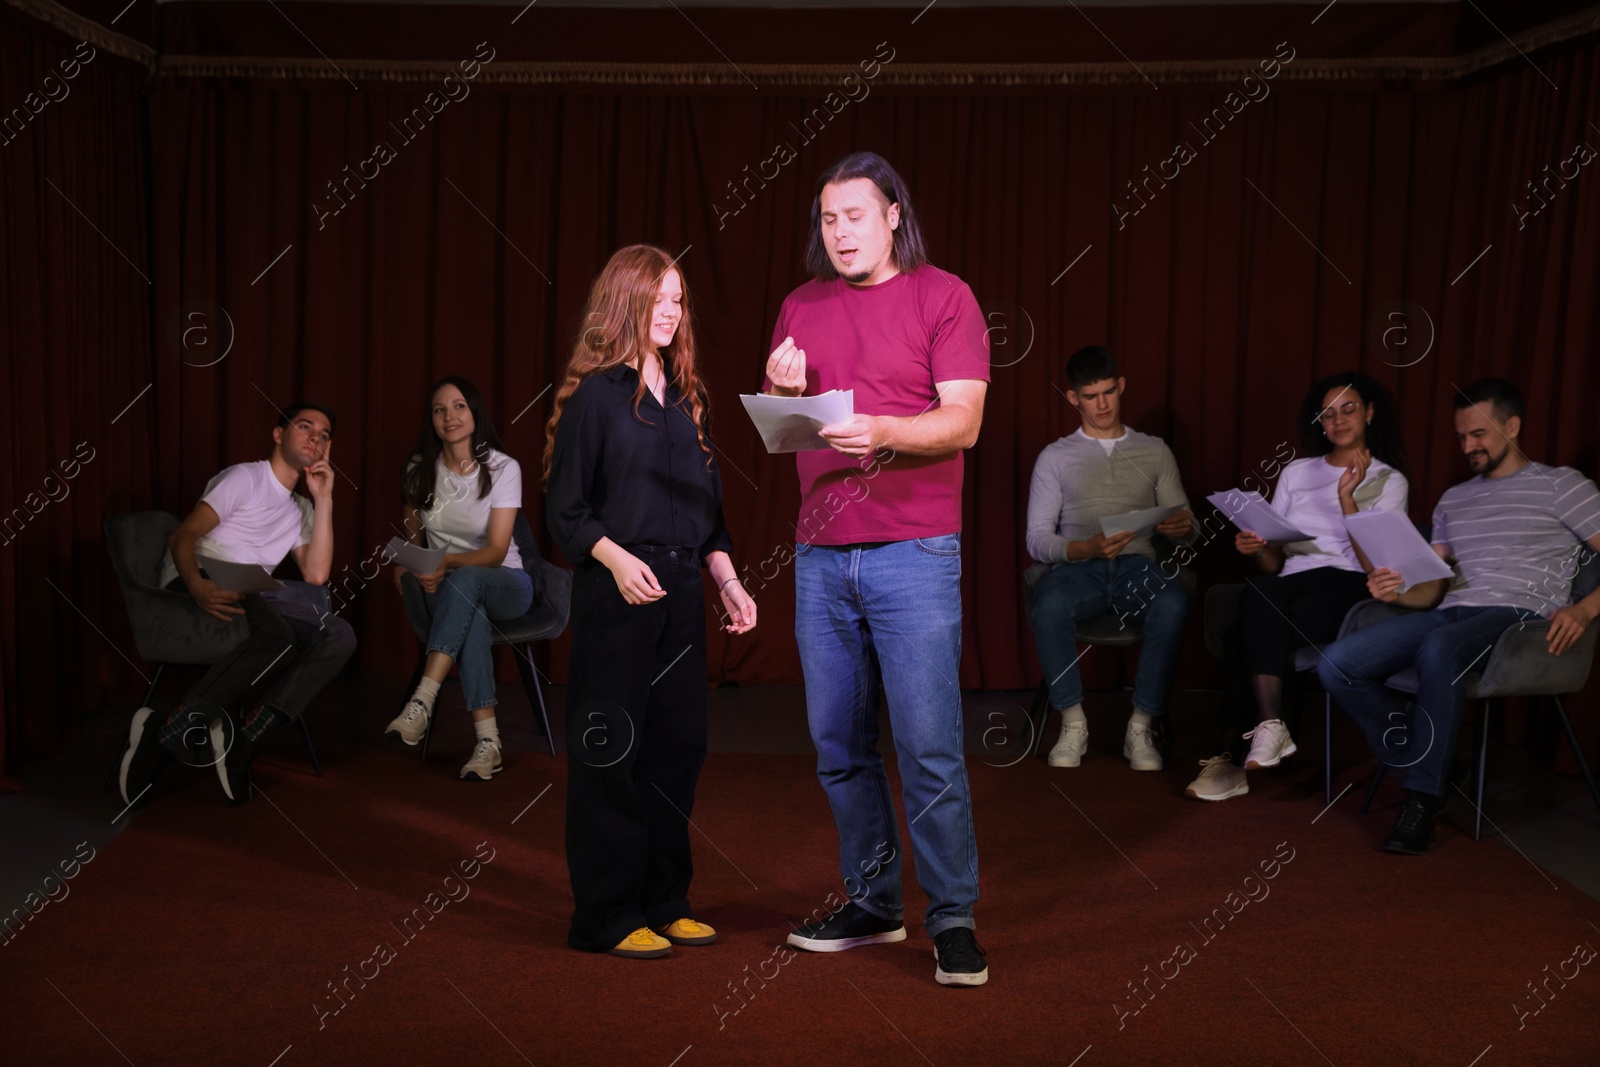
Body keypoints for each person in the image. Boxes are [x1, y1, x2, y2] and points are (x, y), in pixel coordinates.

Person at [766, 152, 991, 987]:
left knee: (928, 744)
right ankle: (873, 900)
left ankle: (954, 916)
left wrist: (887, 431)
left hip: (915, 553)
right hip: (821, 557)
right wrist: (781, 390)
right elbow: (792, 429)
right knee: (838, 746)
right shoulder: (800, 303)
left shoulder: (946, 296)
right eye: (827, 219)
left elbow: (963, 421)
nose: (839, 232)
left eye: (854, 216)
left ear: (893, 214)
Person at [545, 244, 756, 959]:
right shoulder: (597, 396)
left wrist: (728, 581)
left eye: (678, 300)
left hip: (684, 596)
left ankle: (666, 900)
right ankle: (605, 914)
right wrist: (616, 557)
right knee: (613, 753)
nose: (670, 312)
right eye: (658, 297)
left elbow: (711, 519)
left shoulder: (689, 400)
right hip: (617, 593)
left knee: (677, 751)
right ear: (625, 300)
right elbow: (566, 511)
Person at [1318, 378, 1600, 853]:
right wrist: (1391, 583)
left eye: (1479, 434)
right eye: (1461, 436)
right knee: (1337, 664)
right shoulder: (1454, 499)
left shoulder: (1563, 485)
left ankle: (1422, 799)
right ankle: (1436, 765)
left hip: (1521, 617)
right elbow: (1428, 585)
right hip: (1452, 611)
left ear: (1512, 426)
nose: (1468, 446)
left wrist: (1586, 608)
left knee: (1440, 647)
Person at [119, 403, 356, 807]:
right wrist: (196, 585)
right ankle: (166, 735)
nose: (315, 436)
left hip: (252, 591)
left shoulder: (300, 509)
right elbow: (183, 537)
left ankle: (245, 737)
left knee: (339, 635)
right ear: (278, 435)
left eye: (324, 433)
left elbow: (316, 574)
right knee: (279, 639)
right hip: (202, 575)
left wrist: (325, 498)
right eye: (305, 426)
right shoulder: (245, 477)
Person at [1187, 372, 1409, 801]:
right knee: (1260, 592)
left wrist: (1349, 498)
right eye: (1329, 413)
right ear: (1320, 423)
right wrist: (1256, 547)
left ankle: (1232, 756)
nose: (1339, 420)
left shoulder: (1389, 479)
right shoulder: (1296, 472)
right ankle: (1268, 729)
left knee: (1242, 632)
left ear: (1369, 413)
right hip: (1290, 586)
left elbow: (1379, 566)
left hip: (1349, 586)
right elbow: (1276, 559)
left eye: (1348, 409)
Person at [1025, 345, 1196, 773]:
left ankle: (1141, 725)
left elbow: (1187, 525)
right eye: (1089, 396)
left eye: (1108, 393)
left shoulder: (1155, 451)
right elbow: (1037, 540)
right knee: (1048, 604)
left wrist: (1182, 528)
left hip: (1137, 566)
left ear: (1121, 387)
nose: (1100, 405)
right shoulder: (1055, 457)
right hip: (1078, 570)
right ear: (1073, 399)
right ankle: (1073, 720)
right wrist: (1084, 548)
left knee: (1173, 602)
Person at [386, 376, 534, 782]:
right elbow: (415, 541)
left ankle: (423, 699)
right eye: (439, 409)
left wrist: (441, 563)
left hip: (508, 584)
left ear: (475, 413)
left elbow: (497, 552)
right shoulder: (420, 469)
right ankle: (489, 743)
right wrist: (413, 564)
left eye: (458, 406)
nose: (449, 416)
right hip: (449, 588)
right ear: (431, 420)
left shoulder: (504, 468)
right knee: (471, 609)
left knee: (467, 580)